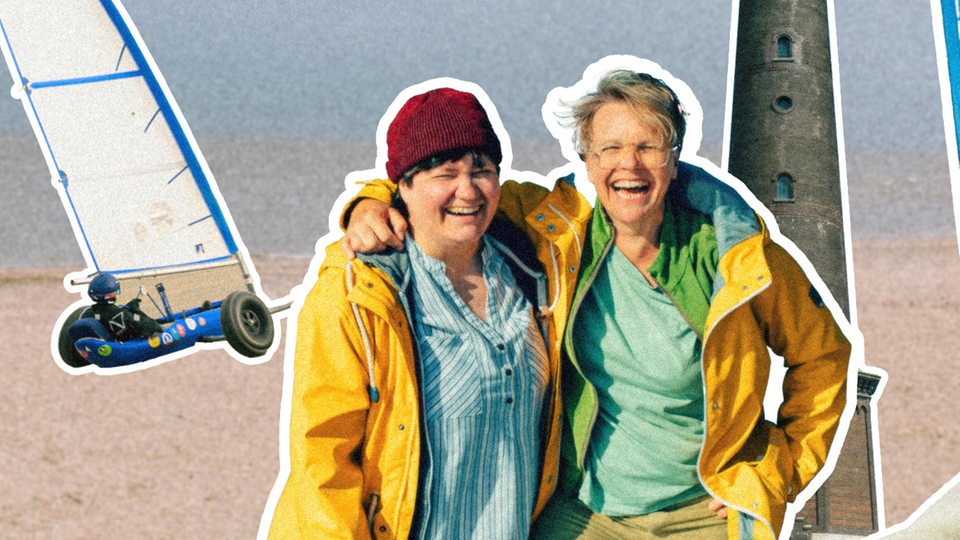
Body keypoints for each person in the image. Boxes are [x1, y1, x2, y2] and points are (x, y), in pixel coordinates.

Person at [342, 66, 852, 539]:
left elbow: (825, 356)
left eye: (648, 147)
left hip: (702, 514)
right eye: (609, 148)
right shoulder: (555, 228)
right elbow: (445, 183)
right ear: (586, 161)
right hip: (582, 514)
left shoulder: (732, 257)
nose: (628, 165)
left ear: (674, 162)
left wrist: (783, 467)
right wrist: (365, 203)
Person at [267, 86, 565, 538]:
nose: (468, 190)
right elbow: (321, 462)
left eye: (481, 170)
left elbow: (622, 186)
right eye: (444, 174)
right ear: (402, 186)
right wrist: (368, 199)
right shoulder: (356, 295)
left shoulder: (534, 265)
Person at [81, 273, 162, 341]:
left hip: (103, 346)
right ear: (112, 294)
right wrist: (135, 310)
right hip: (123, 346)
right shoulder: (123, 314)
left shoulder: (87, 313)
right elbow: (152, 326)